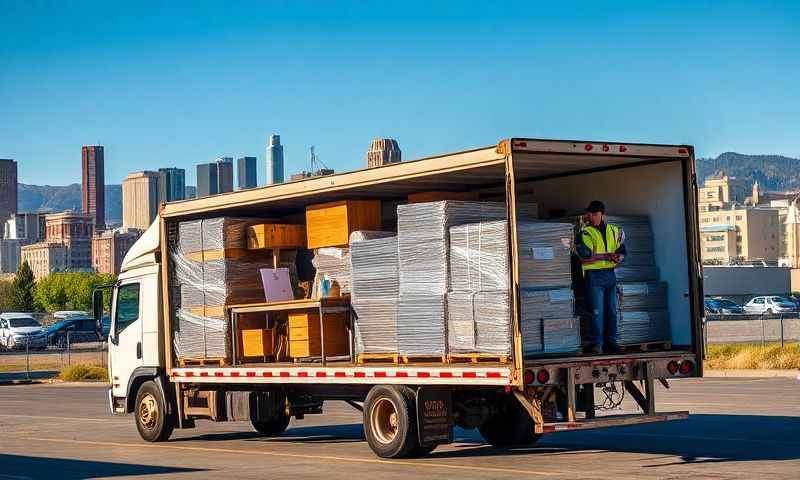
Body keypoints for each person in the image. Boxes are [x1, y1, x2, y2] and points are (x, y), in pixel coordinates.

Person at [575, 200, 627, 354]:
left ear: (603, 215)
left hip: (610, 275)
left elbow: (623, 251)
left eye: (595, 214)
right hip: (594, 276)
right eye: (589, 214)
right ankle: (597, 343)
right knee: (597, 311)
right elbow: (585, 254)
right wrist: (607, 256)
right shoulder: (585, 232)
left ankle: (611, 342)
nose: (591, 216)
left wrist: (618, 257)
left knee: (611, 310)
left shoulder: (614, 231)